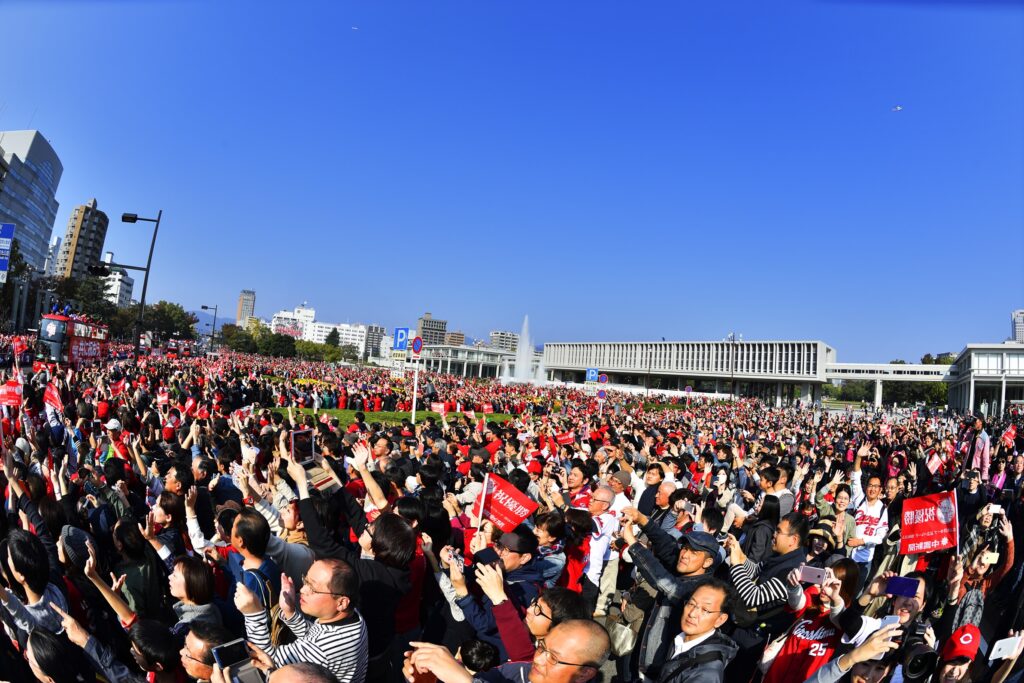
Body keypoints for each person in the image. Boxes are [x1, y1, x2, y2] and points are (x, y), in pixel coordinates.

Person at [235, 558, 368, 682]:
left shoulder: (322, 648)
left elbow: (266, 661)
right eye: (306, 581)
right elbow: (315, 634)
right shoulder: (353, 615)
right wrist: (289, 612)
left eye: (313, 588)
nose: (302, 589)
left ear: (342, 602)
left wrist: (254, 614)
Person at [403, 619, 611, 683]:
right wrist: (430, 678)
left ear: (585, 673)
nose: (538, 659)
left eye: (554, 659)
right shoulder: (519, 672)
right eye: (542, 647)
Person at [653, 579, 740, 683]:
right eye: (691, 604)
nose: (692, 614)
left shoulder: (706, 674)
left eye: (705, 610)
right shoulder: (680, 640)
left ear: (720, 620)